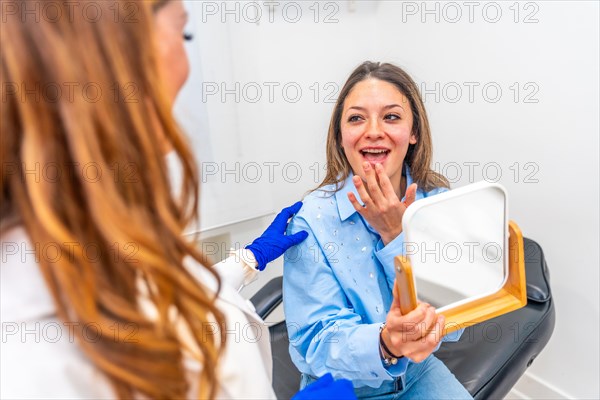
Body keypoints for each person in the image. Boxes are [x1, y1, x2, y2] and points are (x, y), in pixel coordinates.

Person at [0, 1, 356, 399]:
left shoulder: (107, 225)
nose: (188, 68)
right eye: (183, 34)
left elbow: (165, 294)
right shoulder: (28, 359)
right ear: (111, 56)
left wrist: (251, 257)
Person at [283, 61, 473, 399]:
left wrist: (397, 235)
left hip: (419, 375)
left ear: (414, 133)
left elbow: (452, 325)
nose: (373, 131)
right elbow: (313, 343)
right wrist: (385, 344)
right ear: (341, 137)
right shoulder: (311, 218)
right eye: (356, 118)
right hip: (341, 388)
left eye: (391, 116)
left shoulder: (436, 204)